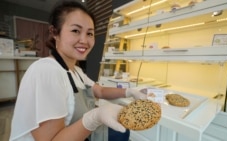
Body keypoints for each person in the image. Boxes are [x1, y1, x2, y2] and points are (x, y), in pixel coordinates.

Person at [9, 1, 146, 141]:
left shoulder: (76, 72)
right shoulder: (46, 71)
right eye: (75, 31)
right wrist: (95, 117)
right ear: (55, 33)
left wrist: (129, 91)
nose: (84, 40)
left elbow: (100, 91)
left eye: (90, 33)